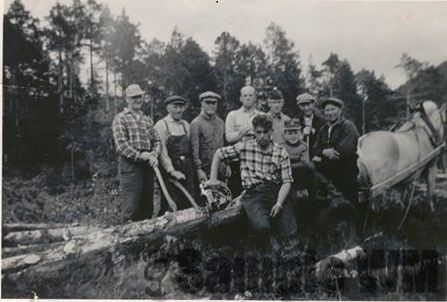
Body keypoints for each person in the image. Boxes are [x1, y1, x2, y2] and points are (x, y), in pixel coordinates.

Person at [208, 114, 297, 243]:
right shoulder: (245, 147)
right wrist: (213, 179)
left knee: (290, 233)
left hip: (275, 191)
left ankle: (286, 252)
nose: (262, 136)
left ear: (271, 132)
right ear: (254, 132)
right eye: (258, 132)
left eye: (265, 132)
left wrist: (279, 203)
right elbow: (219, 154)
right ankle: (262, 249)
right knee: (262, 228)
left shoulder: (281, 152)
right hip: (253, 194)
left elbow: (287, 181)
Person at [112, 84, 161, 222]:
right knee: (132, 208)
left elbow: (157, 141)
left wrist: (154, 155)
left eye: (139, 96)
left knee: (147, 207)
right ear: (127, 99)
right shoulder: (121, 118)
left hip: (148, 166)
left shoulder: (147, 120)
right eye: (134, 97)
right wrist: (140, 155)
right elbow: (121, 145)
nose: (138, 100)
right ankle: (127, 240)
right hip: (130, 166)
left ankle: (146, 241)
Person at [312, 97, 360, 205]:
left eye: (333, 109)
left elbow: (342, 152)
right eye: (327, 110)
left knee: (349, 202)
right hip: (328, 172)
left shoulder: (348, 127)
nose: (330, 113)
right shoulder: (323, 129)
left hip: (346, 171)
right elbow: (315, 149)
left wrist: (322, 154)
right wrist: (324, 152)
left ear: (340, 110)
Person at [154, 95, 196, 209]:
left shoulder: (186, 125)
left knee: (189, 200)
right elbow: (161, 150)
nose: (179, 110)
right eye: (175, 107)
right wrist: (171, 170)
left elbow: (191, 149)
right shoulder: (162, 125)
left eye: (181, 107)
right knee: (171, 202)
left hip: (187, 167)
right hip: (170, 168)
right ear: (168, 108)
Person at [225, 85, 260, 196]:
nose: (248, 98)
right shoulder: (233, 115)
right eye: (245, 95)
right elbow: (228, 137)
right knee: (237, 193)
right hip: (237, 160)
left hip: (257, 159)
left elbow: (268, 137)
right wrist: (241, 134)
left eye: (251, 95)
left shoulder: (262, 116)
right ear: (240, 98)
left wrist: (256, 134)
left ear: (255, 98)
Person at [190, 91, 226, 183]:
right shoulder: (196, 123)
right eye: (208, 103)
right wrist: (199, 170)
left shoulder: (221, 122)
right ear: (202, 104)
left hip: (220, 170)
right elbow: (194, 149)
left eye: (213, 103)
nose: (211, 106)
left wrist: (226, 164)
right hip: (205, 171)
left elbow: (223, 146)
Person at [296, 93, 327, 159]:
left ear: (313, 104)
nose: (306, 108)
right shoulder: (296, 122)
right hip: (301, 160)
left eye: (308, 104)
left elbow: (324, 142)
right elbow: (293, 144)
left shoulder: (323, 121)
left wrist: (313, 131)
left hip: (318, 159)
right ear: (299, 106)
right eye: (303, 105)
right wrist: (302, 135)